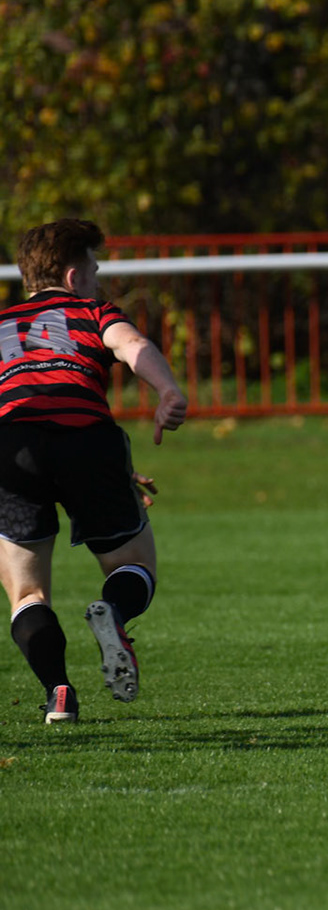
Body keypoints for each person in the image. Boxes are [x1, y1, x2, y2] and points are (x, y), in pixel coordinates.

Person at [1, 219, 189, 723]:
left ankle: (58, 692)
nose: (98, 276)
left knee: (27, 592)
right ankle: (115, 614)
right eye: (93, 268)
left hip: (12, 445)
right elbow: (133, 346)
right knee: (135, 565)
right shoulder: (91, 311)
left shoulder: (1, 324)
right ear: (71, 277)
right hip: (88, 440)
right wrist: (167, 391)